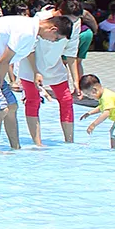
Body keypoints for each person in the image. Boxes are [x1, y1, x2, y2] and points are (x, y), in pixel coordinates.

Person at [0, 14, 72, 151]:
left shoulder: (31, 30)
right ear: (52, 29)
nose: (53, 41)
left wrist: (34, 72)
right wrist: (0, 83)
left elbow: (18, 56)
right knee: (0, 109)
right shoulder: (26, 31)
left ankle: (15, 149)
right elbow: (4, 61)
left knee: (12, 106)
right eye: (56, 38)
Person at [20, 10, 78, 146]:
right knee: (33, 101)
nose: (73, 22)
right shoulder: (41, 21)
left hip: (54, 67)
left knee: (66, 100)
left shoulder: (74, 25)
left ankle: (69, 141)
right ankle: (37, 143)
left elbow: (71, 54)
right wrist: (36, 72)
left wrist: (76, 80)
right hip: (30, 66)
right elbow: (30, 48)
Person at [78, 74, 115, 150]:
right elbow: (102, 107)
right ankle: (114, 150)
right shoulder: (103, 95)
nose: (88, 97)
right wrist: (90, 113)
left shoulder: (106, 97)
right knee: (113, 132)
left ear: (94, 90)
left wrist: (93, 125)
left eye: (88, 94)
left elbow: (106, 113)